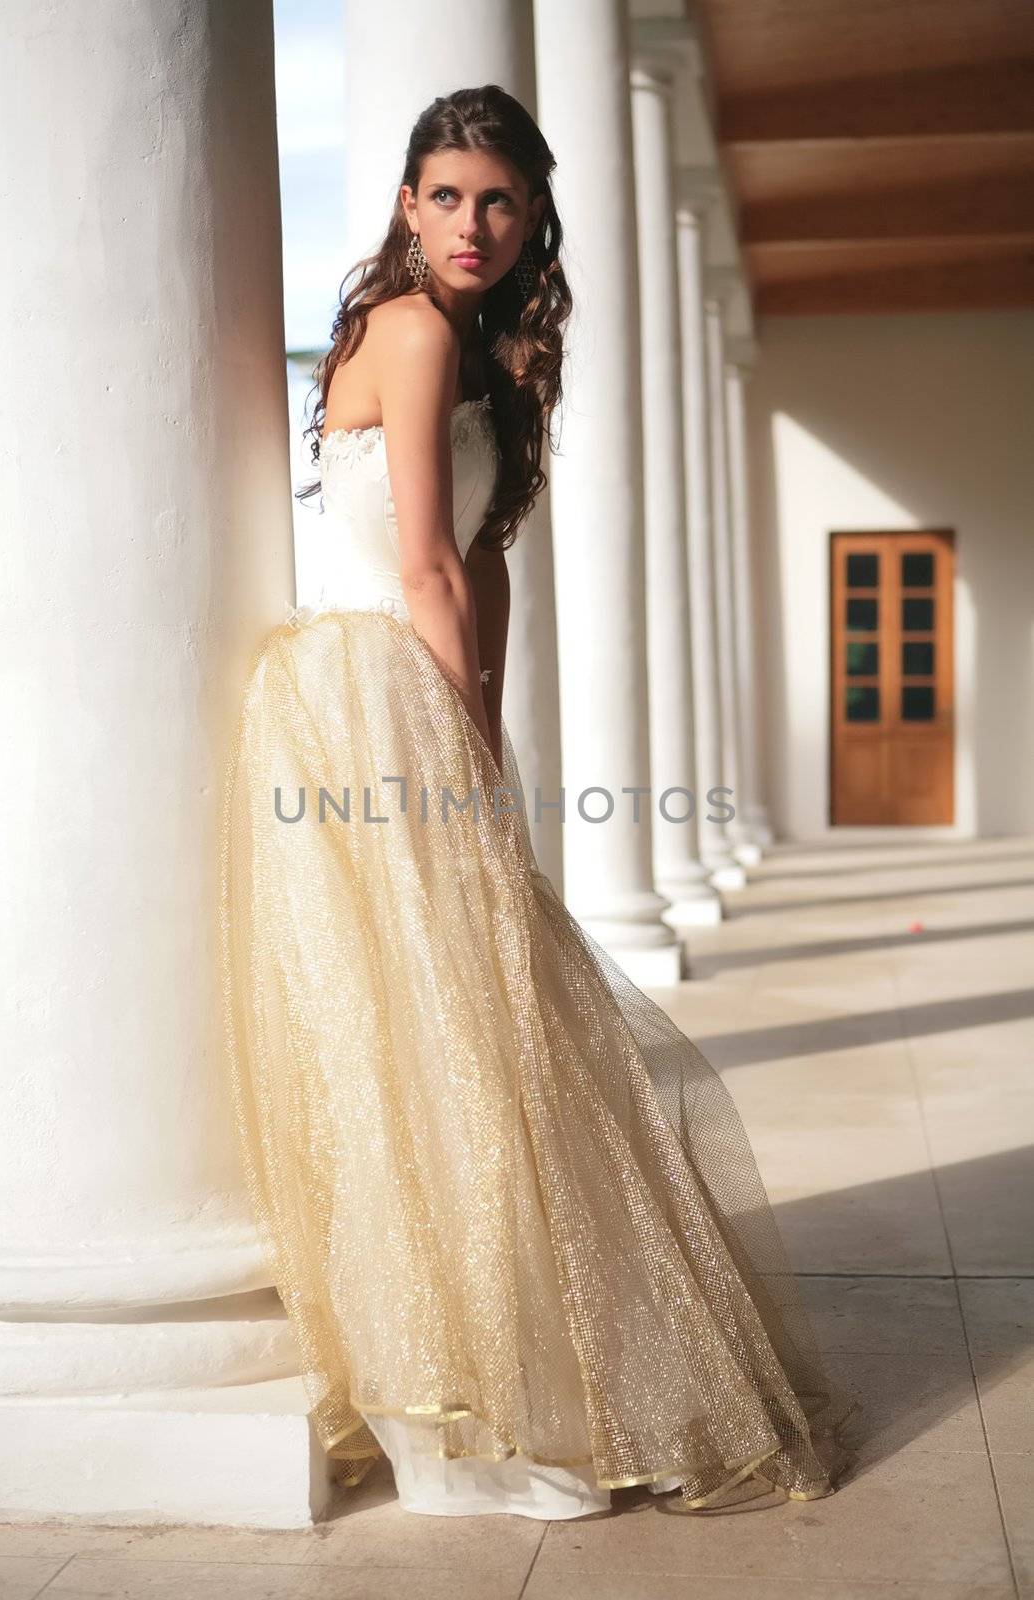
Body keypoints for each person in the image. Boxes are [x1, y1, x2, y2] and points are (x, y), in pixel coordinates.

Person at [218, 84, 861, 1521]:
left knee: (470, 1030)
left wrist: (488, 722)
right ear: (404, 203)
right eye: (445, 195)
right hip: (371, 692)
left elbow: (487, 560)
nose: (471, 224)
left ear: (532, 217)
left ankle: (502, 1370)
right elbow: (429, 566)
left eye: (498, 200)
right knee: (431, 1034)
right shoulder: (410, 327)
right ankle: (452, 1404)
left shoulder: (486, 352)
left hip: (416, 693)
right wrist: (464, 743)